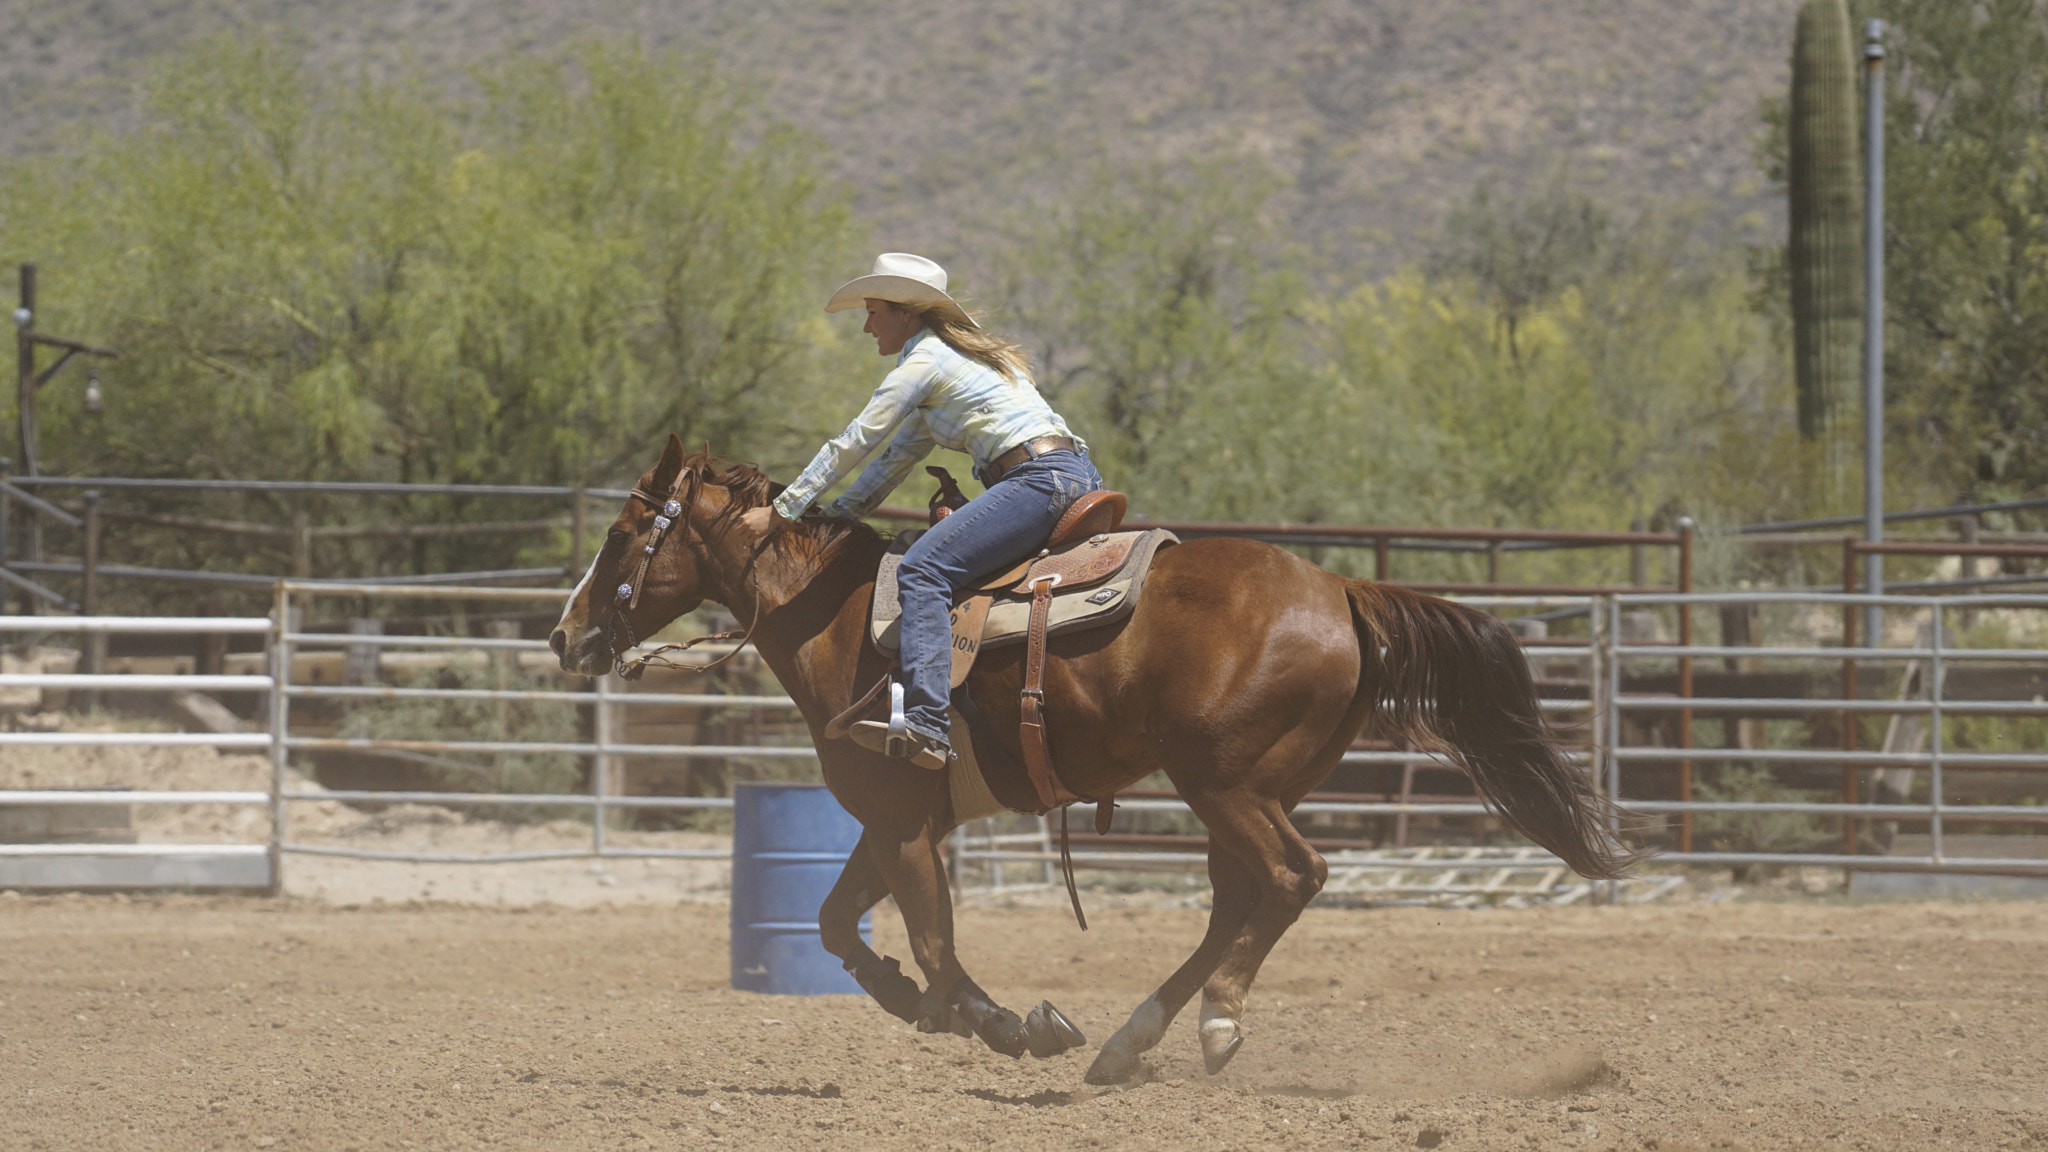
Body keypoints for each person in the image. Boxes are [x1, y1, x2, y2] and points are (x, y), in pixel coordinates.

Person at [739, 252, 1102, 770]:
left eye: (873, 312)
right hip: (1070, 474)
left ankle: (927, 721)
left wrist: (782, 511)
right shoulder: (954, 371)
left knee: (923, 570)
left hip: (1037, 481)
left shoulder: (924, 362)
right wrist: (833, 521)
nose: (866, 326)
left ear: (906, 313)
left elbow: (857, 439)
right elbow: (889, 463)